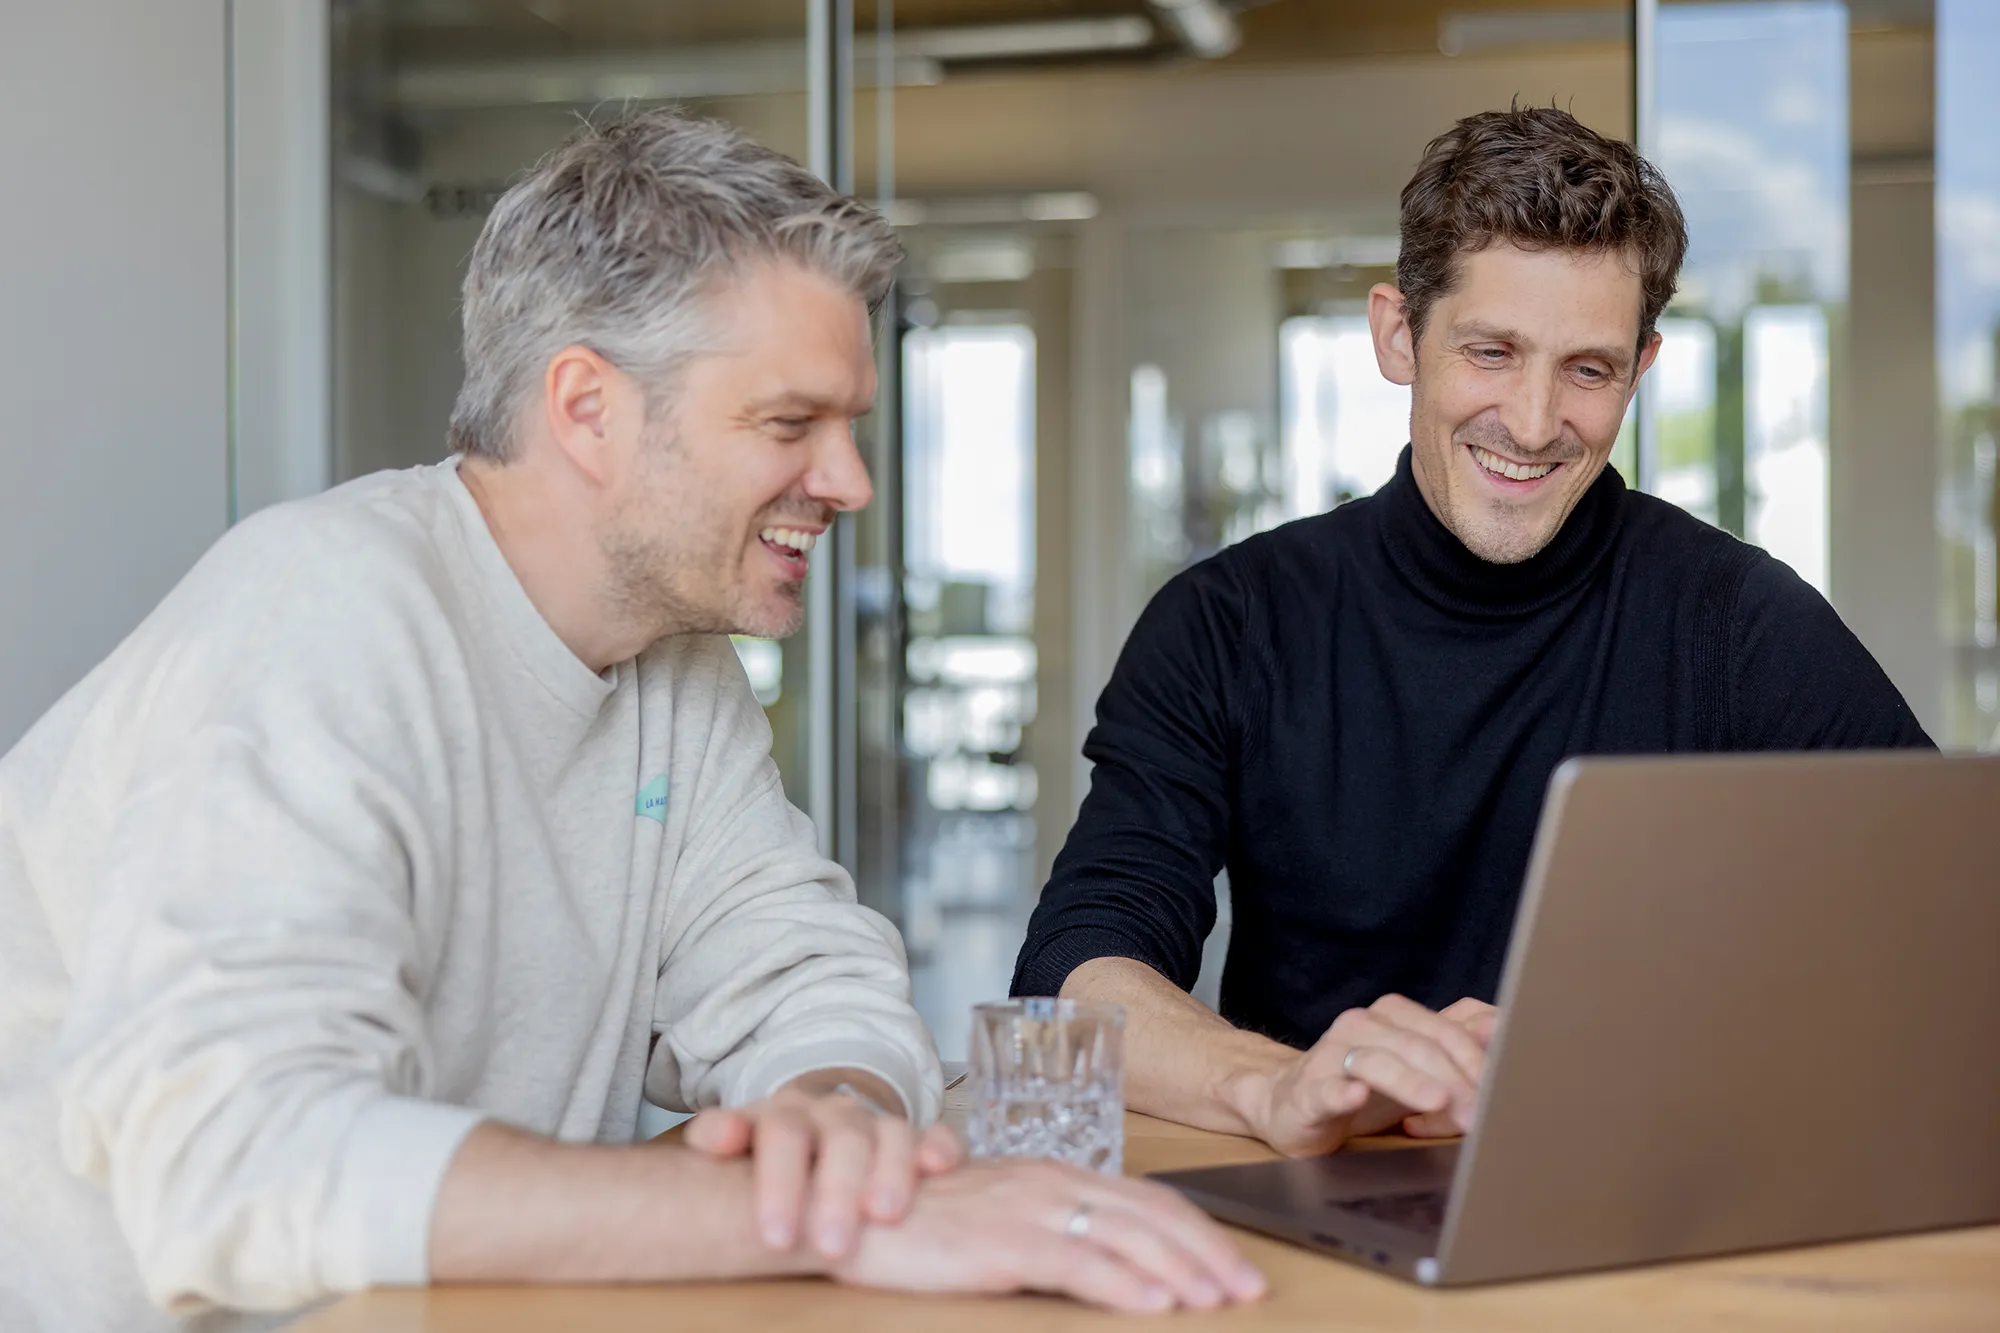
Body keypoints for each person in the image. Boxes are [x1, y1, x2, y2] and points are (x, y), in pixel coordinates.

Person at [0, 110, 1262, 1332]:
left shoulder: (674, 668)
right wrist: (806, 1222)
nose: (848, 482)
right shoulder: (320, 613)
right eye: (788, 423)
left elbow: (807, 977)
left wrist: (834, 1122)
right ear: (589, 409)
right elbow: (233, 1161)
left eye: (848, 426)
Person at [1012, 106, 1932, 1161]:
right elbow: (1076, 974)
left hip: (1644, 1192)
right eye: (1491, 351)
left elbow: (1936, 940)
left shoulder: (1740, 623)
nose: (1534, 422)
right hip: (1319, 1196)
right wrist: (1284, 1085)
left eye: (1586, 370)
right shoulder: (1226, 624)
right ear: (1396, 334)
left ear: (1638, 369)